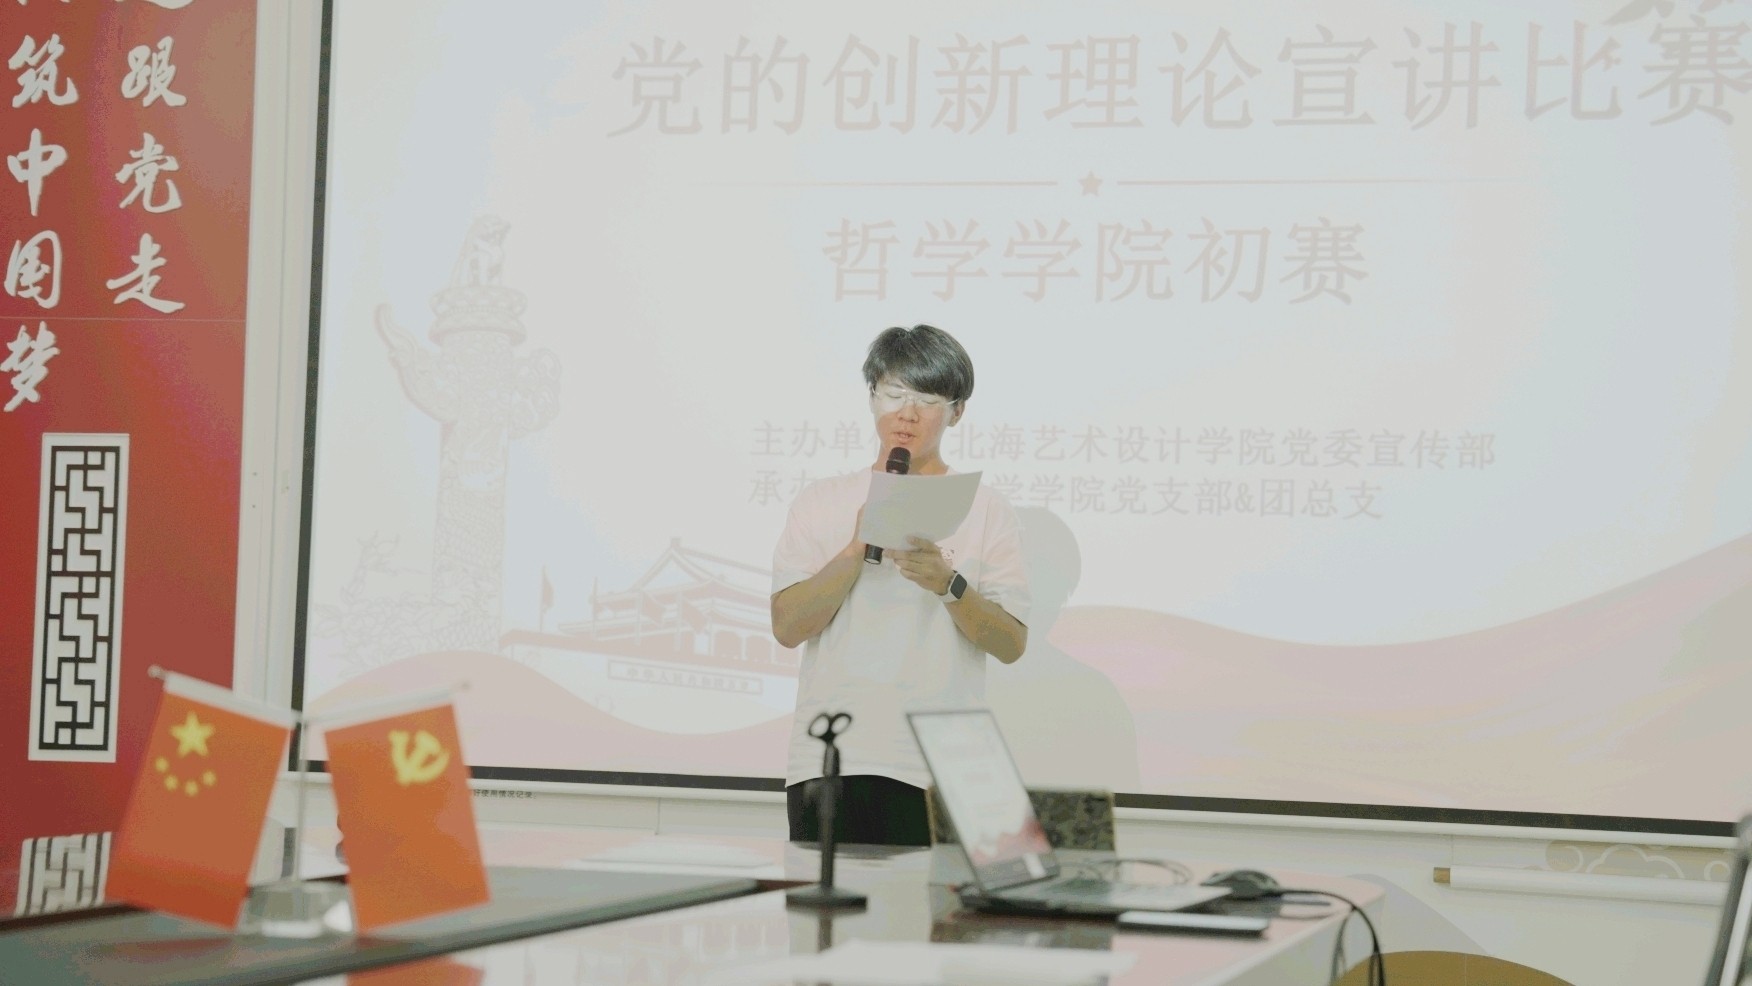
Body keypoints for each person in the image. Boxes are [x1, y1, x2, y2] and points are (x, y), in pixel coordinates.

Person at [770, 324, 1030, 846]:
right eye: (893, 394)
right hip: (833, 757)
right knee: (826, 901)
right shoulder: (821, 501)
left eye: (927, 400)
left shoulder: (986, 508)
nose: (907, 413)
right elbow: (787, 627)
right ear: (871, 397)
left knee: (934, 903)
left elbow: (1011, 643)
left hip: (940, 765)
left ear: (957, 411)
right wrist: (854, 550)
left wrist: (948, 584)